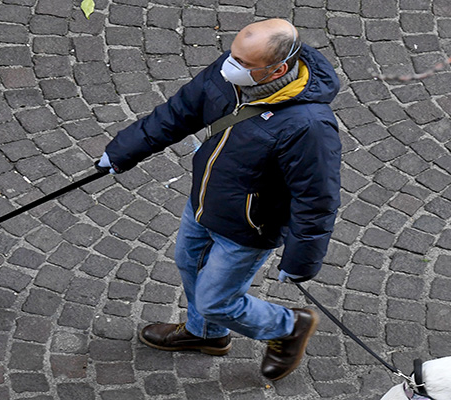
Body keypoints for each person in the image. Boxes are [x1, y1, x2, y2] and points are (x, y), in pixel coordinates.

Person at [96, 18, 341, 381]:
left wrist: (302, 259)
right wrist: (123, 151)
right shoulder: (232, 73)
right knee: (188, 263)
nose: (229, 67)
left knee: (217, 300)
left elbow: (316, 198)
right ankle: (206, 334)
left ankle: (287, 326)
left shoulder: (309, 126)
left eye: (243, 64)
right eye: (232, 55)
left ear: (279, 69)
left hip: (247, 228)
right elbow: (179, 111)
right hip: (204, 203)